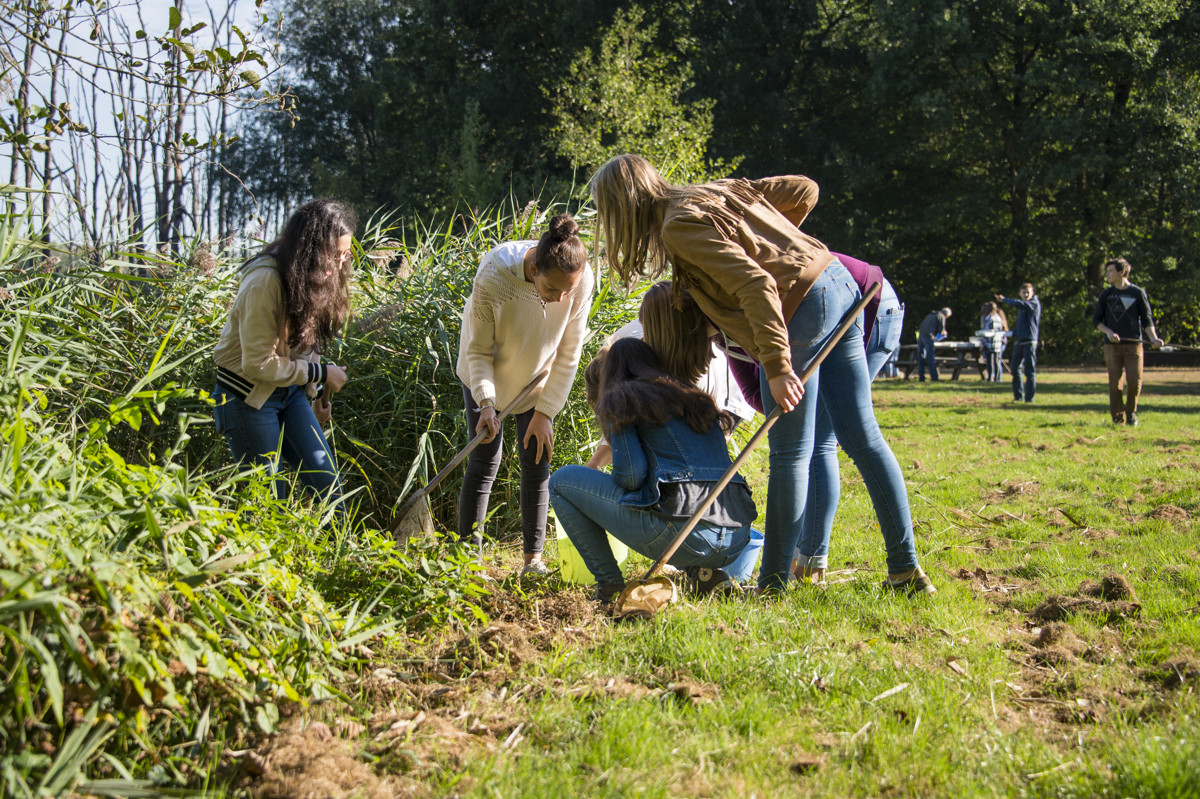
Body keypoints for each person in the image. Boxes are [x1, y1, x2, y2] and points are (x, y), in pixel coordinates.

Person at [589, 153, 933, 595]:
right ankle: (905, 571)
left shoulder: (678, 226)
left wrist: (776, 365)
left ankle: (771, 585)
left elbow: (757, 284)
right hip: (840, 282)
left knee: (791, 453)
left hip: (804, 310)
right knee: (863, 438)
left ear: (624, 207)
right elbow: (805, 188)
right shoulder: (715, 191)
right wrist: (782, 241)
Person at [549, 338, 756, 600]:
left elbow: (631, 477)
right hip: (736, 538)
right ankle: (705, 575)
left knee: (560, 481)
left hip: (688, 537)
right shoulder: (696, 397)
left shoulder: (620, 399)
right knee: (677, 500)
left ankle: (609, 586)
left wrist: (605, 493)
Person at [456, 213, 593, 576]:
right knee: (485, 460)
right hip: (485, 373)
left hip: (538, 378)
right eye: (554, 291)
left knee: (537, 459)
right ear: (534, 270)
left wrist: (546, 412)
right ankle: (468, 560)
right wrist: (485, 402)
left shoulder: (580, 280)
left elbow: (569, 351)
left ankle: (533, 560)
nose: (563, 298)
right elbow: (478, 352)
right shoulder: (494, 276)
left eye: (569, 291)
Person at [211, 199, 354, 518]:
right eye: (336, 253)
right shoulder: (264, 282)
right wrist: (320, 373)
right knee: (265, 501)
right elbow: (258, 364)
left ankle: (343, 563)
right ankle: (255, 566)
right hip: (248, 395)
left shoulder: (314, 276)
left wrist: (313, 394)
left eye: (346, 253)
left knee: (328, 486)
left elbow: (305, 341)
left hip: (289, 392)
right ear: (312, 248)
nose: (343, 262)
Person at [585, 281, 755, 470]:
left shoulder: (692, 375)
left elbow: (708, 434)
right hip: (678, 358)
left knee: (704, 457)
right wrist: (594, 464)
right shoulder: (621, 347)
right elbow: (620, 423)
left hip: (731, 387)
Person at [1093, 257, 1163, 426]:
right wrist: (1108, 332)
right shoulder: (1106, 294)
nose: (1107, 274)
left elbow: (1147, 319)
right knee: (1115, 384)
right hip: (1112, 347)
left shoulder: (1137, 293)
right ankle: (1118, 419)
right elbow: (1097, 321)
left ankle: (1131, 412)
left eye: (1110, 271)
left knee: (1134, 381)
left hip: (1134, 345)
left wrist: (1153, 338)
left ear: (1122, 272)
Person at [995, 283, 1041, 402]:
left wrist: (1005, 300)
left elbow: (1020, 304)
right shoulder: (1023, 308)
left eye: (1028, 292)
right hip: (1019, 341)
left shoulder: (1032, 304)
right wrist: (1009, 333)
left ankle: (1029, 399)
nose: (1026, 295)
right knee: (1015, 369)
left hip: (1029, 342)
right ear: (1020, 293)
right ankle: (1018, 397)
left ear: (1032, 293)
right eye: (1023, 292)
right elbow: (1022, 327)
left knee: (1029, 371)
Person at [916, 307, 951, 382]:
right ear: (946, 314)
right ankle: (934, 378)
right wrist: (944, 334)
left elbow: (921, 325)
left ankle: (921, 377)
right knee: (931, 358)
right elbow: (941, 331)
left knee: (920, 358)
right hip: (929, 337)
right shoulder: (941, 316)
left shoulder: (931, 314)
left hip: (921, 336)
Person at [978, 301, 1008, 382]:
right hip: (997, 343)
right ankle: (997, 378)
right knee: (996, 361)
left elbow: (988, 332)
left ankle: (991, 378)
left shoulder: (990, 318)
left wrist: (983, 343)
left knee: (991, 362)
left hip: (991, 343)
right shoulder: (998, 317)